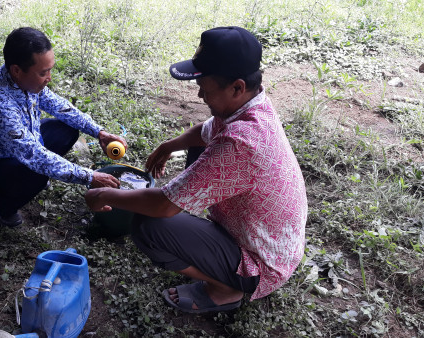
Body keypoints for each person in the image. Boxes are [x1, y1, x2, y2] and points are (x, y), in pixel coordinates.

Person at [85, 26, 307, 313]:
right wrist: (169, 146)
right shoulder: (253, 105)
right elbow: (207, 130)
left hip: (261, 262)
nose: (200, 93)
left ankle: (226, 290)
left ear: (237, 87)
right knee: (196, 153)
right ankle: (215, 254)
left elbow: (163, 206)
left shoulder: (242, 143)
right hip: (270, 241)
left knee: (150, 225)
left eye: (205, 85)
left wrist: (105, 195)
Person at [0, 27, 126, 227]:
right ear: (16, 70)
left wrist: (98, 132)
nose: (49, 78)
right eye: (43, 72)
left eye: (50, 70)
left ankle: (24, 182)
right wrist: (89, 176)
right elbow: (33, 155)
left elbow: (59, 106)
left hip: (18, 143)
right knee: (37, 172)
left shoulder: (23, 80)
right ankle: (2, 206)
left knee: (66, 129)